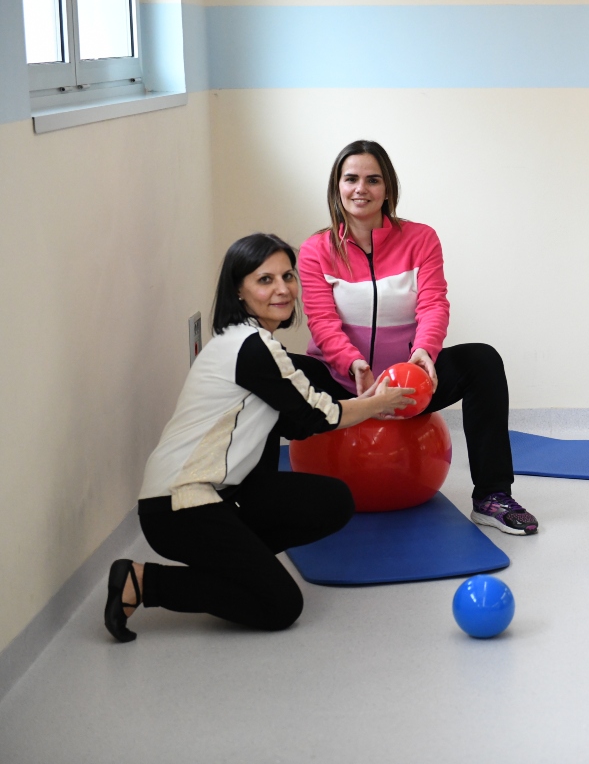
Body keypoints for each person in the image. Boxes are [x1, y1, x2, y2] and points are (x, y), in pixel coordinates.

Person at [104, 234, 415, 643]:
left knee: (333, 501)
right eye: (264, 280)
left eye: (288, 276)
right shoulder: (251, 347)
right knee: (281, 606)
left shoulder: (245, 341)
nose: (283, 289)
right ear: (239, 289)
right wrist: (379, 402)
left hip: (214, 496)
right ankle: (144, 582)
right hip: (179, 507)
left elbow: (291, 422)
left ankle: (239, 563)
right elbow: (317, 415)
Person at [296, 140, 537, 535]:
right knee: (270, 364)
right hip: (340, 384)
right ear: (337, 187)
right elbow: (322, 322)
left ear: (387, 188)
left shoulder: (420, 239)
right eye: (351, 179)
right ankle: (253, 496)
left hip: (409, 384)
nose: (361, 189)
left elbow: (433, 304)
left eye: (372, 180)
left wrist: (425, 353)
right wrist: (353, 364)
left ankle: (492, 497)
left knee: (482, 360)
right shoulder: (316, 250)